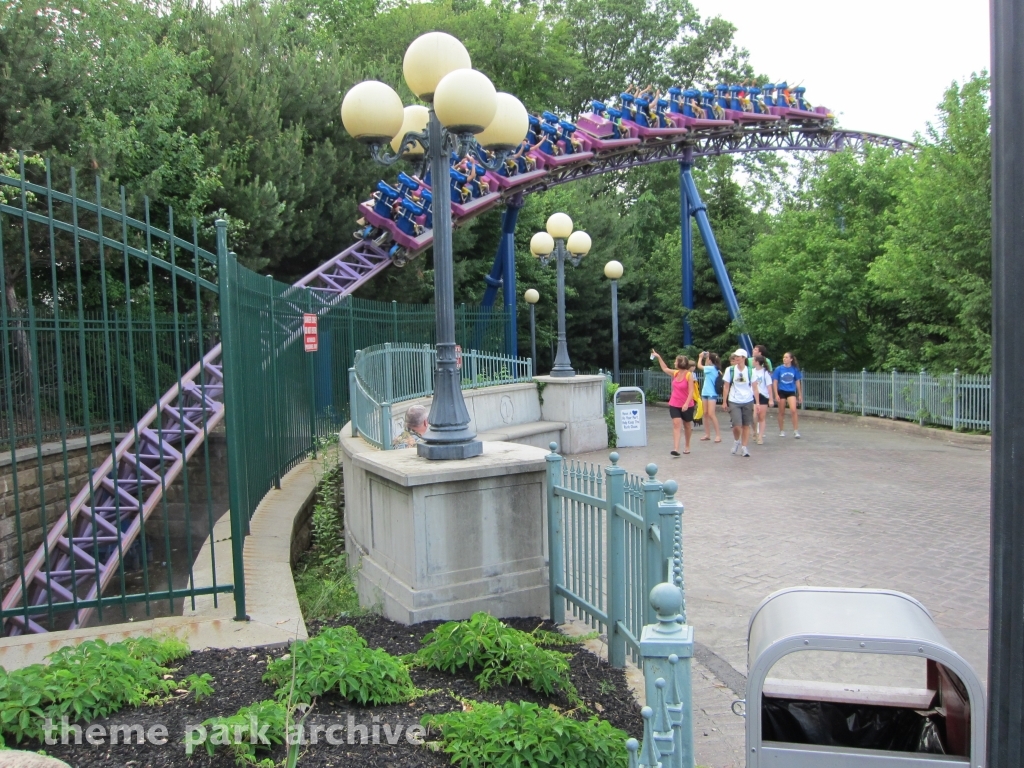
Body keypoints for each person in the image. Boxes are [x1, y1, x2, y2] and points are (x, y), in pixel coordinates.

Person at [652, 350, 695, 456]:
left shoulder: (689, 375)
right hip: (674, 403)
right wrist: (658, 357)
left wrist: (686, 403)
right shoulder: (675, 373)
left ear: (680, 363)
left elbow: (691, 391)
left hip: (687, 405)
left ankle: (687, 445)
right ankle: (675, 449)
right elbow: (665, 368)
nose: (674, 363)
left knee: (687, 425)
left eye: (676, 361)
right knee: (676, 424)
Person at [721, 348, 755, 457]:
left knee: (746, 425)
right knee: (737, 425)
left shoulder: (750, 371)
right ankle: (736, 441)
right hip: (734, 400)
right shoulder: (730, 370)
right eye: (735, 356)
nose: (736, 358)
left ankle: (744, 447)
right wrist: (724, 401)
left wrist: (757, 402)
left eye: (738, 356)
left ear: (744, 358)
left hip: (748, 399)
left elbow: (755, 387)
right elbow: (726, 386)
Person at [772, 351, 803, 438]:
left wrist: (800, 394)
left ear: (791, 359)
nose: (784, 359)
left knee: (793, 410)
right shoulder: (779, 369)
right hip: (781, 391)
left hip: (791, 391)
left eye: (786, 357)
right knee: (781, 412)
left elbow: (797, 381)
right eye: (783, 357)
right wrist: (776, 394)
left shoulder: (794, 369)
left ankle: (796, 430)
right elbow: (775, 382)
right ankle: (782, 430)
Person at [697, 351, 722, 442]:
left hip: (711, 393)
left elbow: (699, 366)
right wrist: (707, 358)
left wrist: (700, 357)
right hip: (706, 392)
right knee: (706, 413)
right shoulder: (714, 368)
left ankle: (718, 435)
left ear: (711, 360)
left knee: (711, 414)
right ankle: (707, 434)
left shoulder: (711, 368)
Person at [751, 355, 774, 445]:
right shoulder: (752, 371)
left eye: (754, 360)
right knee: (754, 416)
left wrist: (771, 399)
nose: (752, 361)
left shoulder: (765, 373)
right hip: (753, 395)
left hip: (763, 395)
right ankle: (754, 431)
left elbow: (769, 387)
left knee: (761, 417)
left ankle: (760, 436)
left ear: (757, 362)